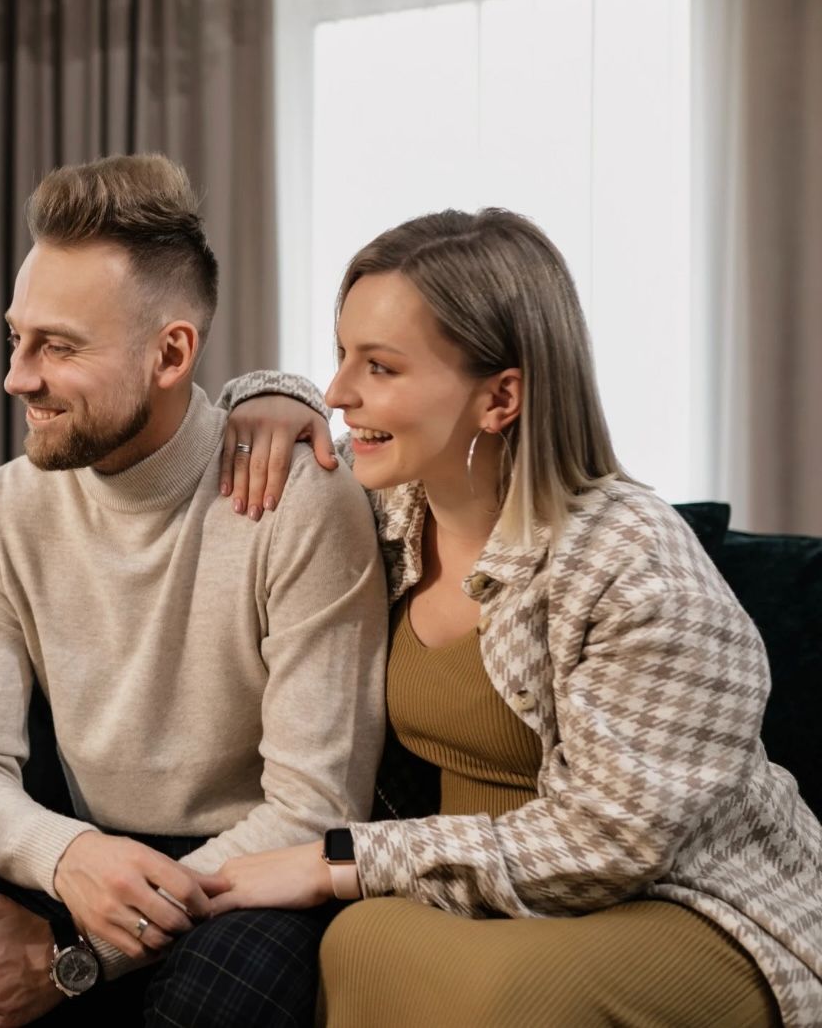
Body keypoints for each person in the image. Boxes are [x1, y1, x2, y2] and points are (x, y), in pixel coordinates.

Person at [0, 154, 389, 1027]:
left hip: (251, 875)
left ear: (170, 353)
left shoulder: (300, 501)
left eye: (58, 346)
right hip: (95, 863)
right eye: (18, 336)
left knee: (228, 975)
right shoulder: (8, 508)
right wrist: (68, 853)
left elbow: (314, 809)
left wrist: (78, 962)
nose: (17, 377)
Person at [213, 207, 822, 1026]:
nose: (339, 392)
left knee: (505, 996)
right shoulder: (391, 513)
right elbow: (277, 432)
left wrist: (339, 862)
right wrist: (269, 396)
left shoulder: (640, 570)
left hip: (684, 902)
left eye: (381, 367)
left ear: (501, 397)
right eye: (339, 355)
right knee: (361, 942)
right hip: (478, 891)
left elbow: (607, 845)